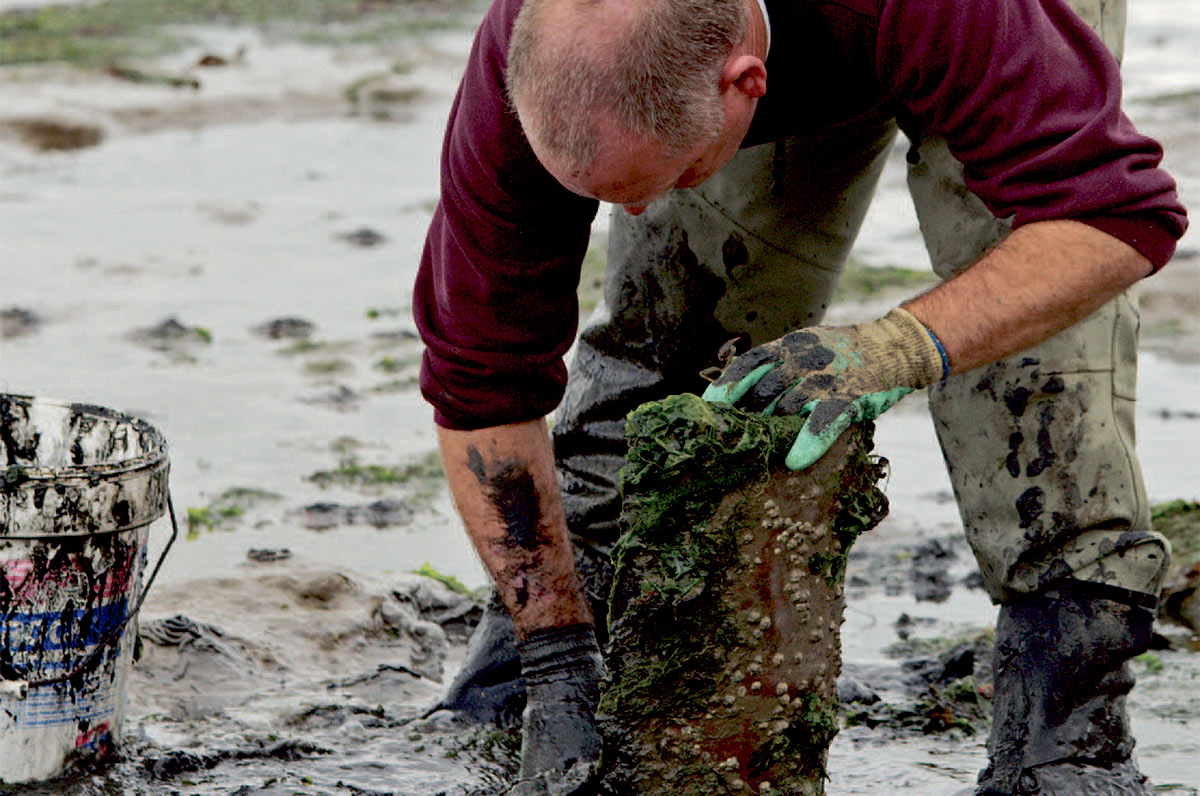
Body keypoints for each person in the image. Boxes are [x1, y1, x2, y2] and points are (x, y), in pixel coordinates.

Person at [414, 0, 1188, 791]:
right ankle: (558, 667)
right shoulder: (533, 49)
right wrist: (553, 652)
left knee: (1035, 371)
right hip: (763, 34)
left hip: (988, 26)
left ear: (748, 82)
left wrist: (897, 348)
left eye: (669, 179)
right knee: (684, 335)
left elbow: (1114, 213)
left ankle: (1064, 724)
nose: (634, 212)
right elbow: (481, 380)